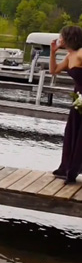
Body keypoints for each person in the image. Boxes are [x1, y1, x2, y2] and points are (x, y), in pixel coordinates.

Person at [50, 25, 82, 184]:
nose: (59, 38)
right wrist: (53, 52)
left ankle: (73, 170)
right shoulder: (70, 56)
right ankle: (68, 168)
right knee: (72, 132)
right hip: (78, 99)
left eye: (62, 36)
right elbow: (54, 70)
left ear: (69, 38)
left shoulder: (81, 53)